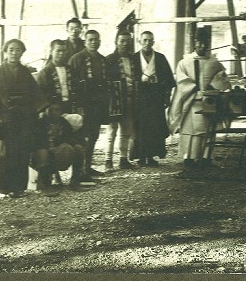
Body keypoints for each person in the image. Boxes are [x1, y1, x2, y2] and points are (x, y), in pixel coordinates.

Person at [0, 38, 46, 198]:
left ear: (22, 53)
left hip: (24, 118)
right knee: (5, 153)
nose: (14, 53)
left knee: (22, 152)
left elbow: (36, 94)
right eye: (11, 49)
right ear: (5, 52)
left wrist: (38, 110)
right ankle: (4, 188)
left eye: (18, 50)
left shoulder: (25, 72)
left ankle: (19, 187)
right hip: (4, 118)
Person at [168, 27, 230, 174]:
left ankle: (205, 159)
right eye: (199, 42)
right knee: (190, 133)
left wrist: (213, 86)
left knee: (207, 133)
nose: (202, 46)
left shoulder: (215, 63)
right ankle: (189, 160)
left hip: (209, 103)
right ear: (194, 42)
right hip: (191, 103)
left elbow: (223, 79)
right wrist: (193, 87)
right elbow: (181, 82)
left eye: (205, 42)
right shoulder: (184, 62)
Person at [130, 30, 175, 167]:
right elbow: (130, 78)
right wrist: (140, 79)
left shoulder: (160, 58)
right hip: (140, 98)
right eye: (144, 40)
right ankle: (141, 156)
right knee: (141, 127)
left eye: (150, 40)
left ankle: (151, 156)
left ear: (153, 42)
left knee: (154, 127)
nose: (147, 43)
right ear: (139, 41)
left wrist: (166, 96)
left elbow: (168, 79)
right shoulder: (134, 58)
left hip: (156, 97)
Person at [69, 28, 109, 176]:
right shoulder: (77, 59)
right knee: (82, 137)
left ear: (99, 42)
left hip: (97, 105)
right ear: (85, 42)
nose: (93, 42)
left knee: (94, 136)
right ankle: (79, 170)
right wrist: (77, 105)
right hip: (83, 105)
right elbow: (71, 83)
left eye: (96, 40)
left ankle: (88, 166)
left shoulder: (103, 60)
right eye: (90, 40)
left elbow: (106, 84)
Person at [30, 101, 87, 192]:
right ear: (45, 111)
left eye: (57, 110)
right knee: (43, 153)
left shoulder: (63, 122)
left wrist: (69, 147)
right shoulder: (39, 123)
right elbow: (35, 143)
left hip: (59, 152)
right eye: (51, 110)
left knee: (78, 148)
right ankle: (46, 185)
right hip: (42, 155)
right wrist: (49, 148)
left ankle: (75, 181)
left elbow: (70, 138)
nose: (54, 113)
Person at [105, 31, 135, 170]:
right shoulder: (109, 59)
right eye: (122, 41)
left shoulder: (133, 58)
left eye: (128, 41)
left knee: (126, 130)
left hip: (130, 99)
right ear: (116, 42)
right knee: (112, 130)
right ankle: (108, 160)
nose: (125, 44)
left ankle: (123, 159)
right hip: (115, 99)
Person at [36, 39, 82, 116]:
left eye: (64, 51)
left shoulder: (71, 70)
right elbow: (40, 95)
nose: (61, 53)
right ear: (51, 52)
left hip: (70, 107)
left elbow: (77, 89)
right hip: (52, 109)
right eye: (58, 51)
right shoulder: (45, 72)